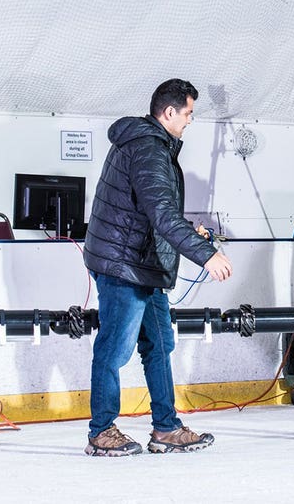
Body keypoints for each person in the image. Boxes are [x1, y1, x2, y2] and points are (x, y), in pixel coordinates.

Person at [82, 78, 233, 456]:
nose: (189, 122)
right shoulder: (149, 148)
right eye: (188, 113)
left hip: (142, 263)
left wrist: (184, 232)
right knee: (114, 350)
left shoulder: (151, 144)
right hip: (124, 265)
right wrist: (205, 252)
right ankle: (101, 431)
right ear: (169, 112)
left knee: (160, 344)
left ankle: (165, 428)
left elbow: (151, 211)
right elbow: (162, 214)